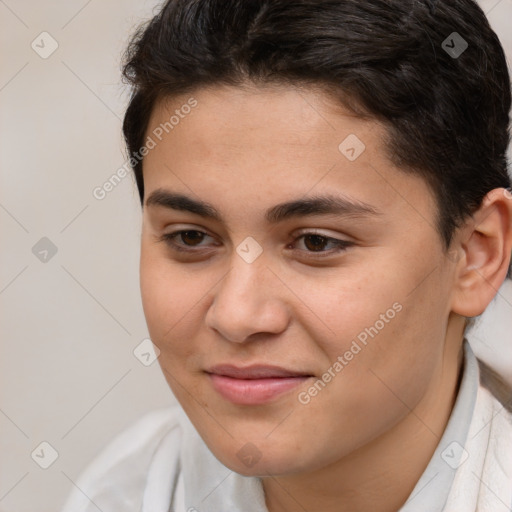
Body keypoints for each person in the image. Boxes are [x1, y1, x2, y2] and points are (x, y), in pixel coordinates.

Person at [61, 0, 512, 510]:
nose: (236, 315)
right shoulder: (125, 489)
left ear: (476, 255)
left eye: (316, 242)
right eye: (191, 237)